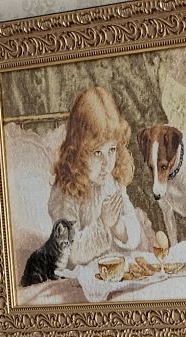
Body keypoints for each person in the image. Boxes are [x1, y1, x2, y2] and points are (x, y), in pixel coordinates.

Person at [48, 86, 143, 267]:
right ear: (79, 152)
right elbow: (71, 254)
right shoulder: (65, 192)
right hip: (77, 276)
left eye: (112, 150)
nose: (107, 163)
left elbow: (133, 230)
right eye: (97, 153)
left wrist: (118, 227)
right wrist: (103, 224)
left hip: (110, 269)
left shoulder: (110, 182)